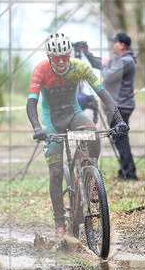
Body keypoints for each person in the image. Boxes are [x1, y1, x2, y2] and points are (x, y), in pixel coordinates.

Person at [27, 32, 128, 234]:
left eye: (66, 56)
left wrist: (119, 119)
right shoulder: (41, 70)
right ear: (49, 57)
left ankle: (90, 177)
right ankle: (60, 225)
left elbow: (102, 92)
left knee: (93, 132)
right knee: (56, 172)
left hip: (73, 112)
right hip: (50, 118)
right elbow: (31, 103)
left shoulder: (79, 67)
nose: (62, 62)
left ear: (70, 53)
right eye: (57, 58)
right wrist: (38, 128)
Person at [82, 32, 137, 180]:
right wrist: (87, 54)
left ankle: (129, 173)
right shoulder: (118, 60)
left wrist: (105, 65)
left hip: (121, 106)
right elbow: (98, 64)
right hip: (119, 105)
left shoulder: (126, 61)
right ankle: (126, 170)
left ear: (122, 45)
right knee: (120, 139)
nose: (112, 44)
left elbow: (107, 76)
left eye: (115, 42)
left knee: (121, 139)